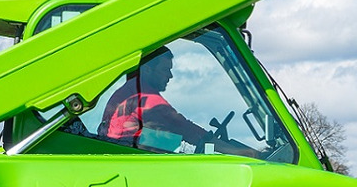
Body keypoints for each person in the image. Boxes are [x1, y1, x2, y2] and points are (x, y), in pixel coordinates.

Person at [98, 46, 256, 156]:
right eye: (165, 70)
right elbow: (184, 128)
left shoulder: (128, 91)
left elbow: (162, 136)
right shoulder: (146, 99)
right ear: (147, 69)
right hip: (131, 161)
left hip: (123, 154)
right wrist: (235, 151)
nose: (170, 76)